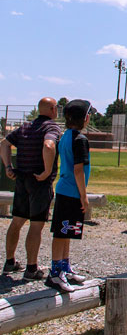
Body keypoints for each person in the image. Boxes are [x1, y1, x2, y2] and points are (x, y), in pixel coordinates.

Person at [1, 97, 61, 280]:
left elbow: (4, 144)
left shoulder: (25, 127)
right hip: (39, 182)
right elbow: (49, 145)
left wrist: (8, 167)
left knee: (17, 220)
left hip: (22, 179)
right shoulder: (51, 127)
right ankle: (31, 268)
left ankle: (10, 262)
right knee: (36, 224)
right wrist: (47, 171)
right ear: (52, 109)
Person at [46, 100, 95, 291]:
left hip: (66, 190)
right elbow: (78, 170)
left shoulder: (66, 135)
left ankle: (64, 267)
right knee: (61, 232)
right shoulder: (80, 139)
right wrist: (83, 196)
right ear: (84, 118)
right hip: (71, 192)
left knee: (67, 231)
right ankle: (55, 272)